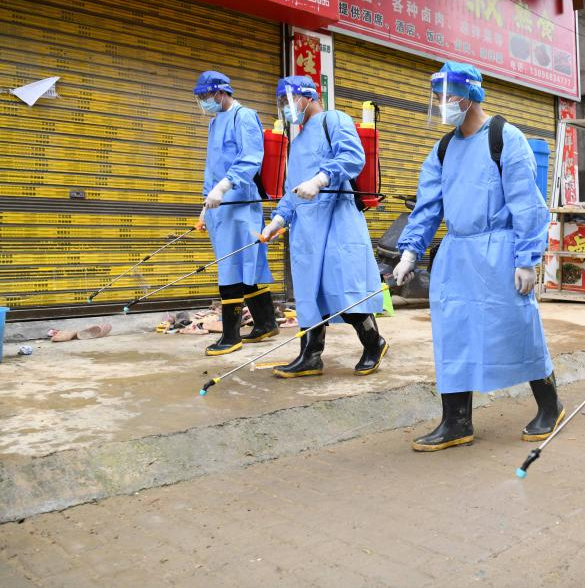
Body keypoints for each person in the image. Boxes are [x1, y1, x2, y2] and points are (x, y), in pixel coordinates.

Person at [392, 61, 563, 452]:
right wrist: (409, 252)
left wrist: (527, 259)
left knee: (516, 326)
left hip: (499, 250)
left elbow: (527, 203)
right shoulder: (443, 149)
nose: (442, 104)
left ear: (469, 95)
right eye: (437, 97)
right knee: (453, 333)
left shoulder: (505, 138)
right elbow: (427, 206)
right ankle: (456, 421)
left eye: (447, 96)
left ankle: (550, 404)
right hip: (456, 253)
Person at [261, 76, 387, 378]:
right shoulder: (297, 142)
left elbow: (353, 157)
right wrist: (278, 219)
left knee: (342, 286)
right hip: (306, 229)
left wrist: (321, 179)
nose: (286, 108)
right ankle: (310, 356)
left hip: (337, 221)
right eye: (281, 103)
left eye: (288, 100)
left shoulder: (335, 119)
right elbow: (292, 189)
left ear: (307, 97)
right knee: (308, 294)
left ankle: (374, 343)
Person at [194, 71, 278, 356]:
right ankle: (266, 323)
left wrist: (224, 187)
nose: (204, 102)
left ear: (221, 92)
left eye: (206, 96)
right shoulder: (215, 122)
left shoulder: (244, 116)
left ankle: (231, 336)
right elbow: (211, 167)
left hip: (239, 204)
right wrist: (205, 205)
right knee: (242, 265)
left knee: (232, 266)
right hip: (218, 206)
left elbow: (251, 158)